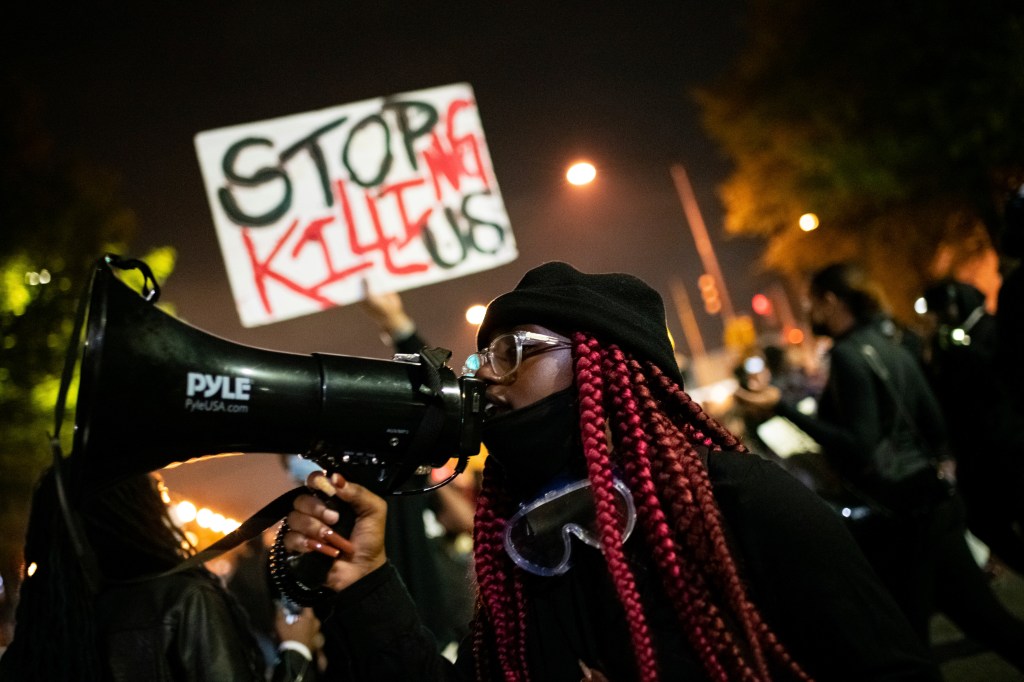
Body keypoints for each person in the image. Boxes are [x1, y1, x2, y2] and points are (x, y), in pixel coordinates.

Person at [280, 261, 941, 681]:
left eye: (512, 352)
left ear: (603, 365)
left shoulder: (739, 502)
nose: (485, 381)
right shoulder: (525, 554)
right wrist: (364, 585)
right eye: (483, 360)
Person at [734, 261, 1024, 671]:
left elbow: (860, 445)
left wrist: (780, 407)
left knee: (901, 648)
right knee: (987, 624)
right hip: (929, 503)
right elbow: (934, 426)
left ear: (831, 301)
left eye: (811, 304)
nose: (810, 314)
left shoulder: (850, 357)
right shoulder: (894, 343)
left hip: (899, 521)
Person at [0, 464, 320, 681]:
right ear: (137, 512)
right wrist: (296, 650)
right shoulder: (185, 599)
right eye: (158, 493)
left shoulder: (47, 619)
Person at [917, 279, 1024, 575]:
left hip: (1006, 443)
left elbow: (996, 377)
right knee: (983, 521)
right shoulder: (946, 341)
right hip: (977, 452)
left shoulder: (989, 329)